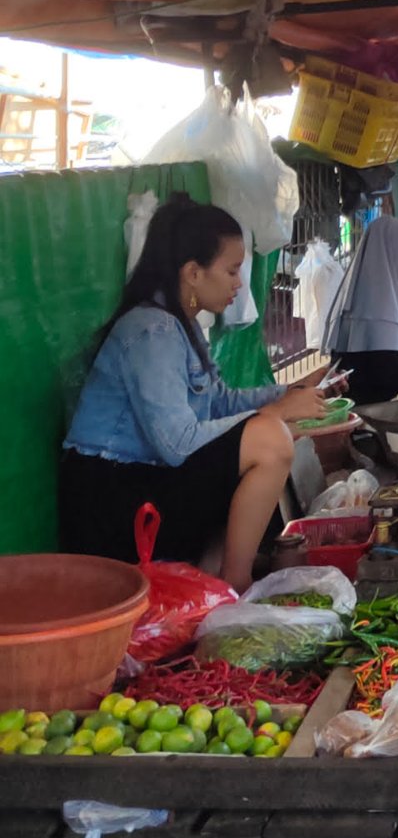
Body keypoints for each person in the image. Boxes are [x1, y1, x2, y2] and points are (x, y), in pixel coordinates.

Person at [60, 195, 326, 590]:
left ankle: (214, 576)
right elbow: (177, 444)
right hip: (111, 504)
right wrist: (274, 415)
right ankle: (235, 585)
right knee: (269, 439)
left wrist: (285, 395)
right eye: (232, 270)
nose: (240, 283)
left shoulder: (179, 325)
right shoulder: (153, 331)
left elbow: (219, 401)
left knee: (270, 434)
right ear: (193, 273)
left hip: (141, 485)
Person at [324, 216, 398, 405]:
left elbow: (371, 359)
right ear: (395, 257)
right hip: (373, 415)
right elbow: (391, 377)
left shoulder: (361, 292)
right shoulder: (379, 302)